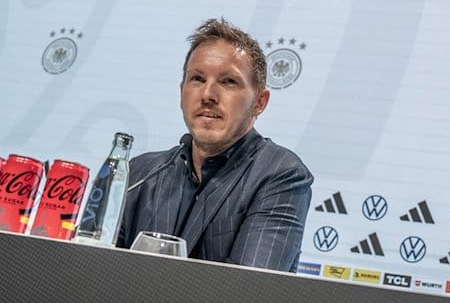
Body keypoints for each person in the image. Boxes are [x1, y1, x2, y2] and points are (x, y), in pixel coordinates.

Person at [117, 18, 313, 272]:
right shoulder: (141, 172)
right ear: (181, 92)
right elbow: (97, 271)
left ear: (260, 102)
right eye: (197, 79)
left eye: (228, 81)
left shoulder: (281, 175)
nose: (208, 95)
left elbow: (246, 293)